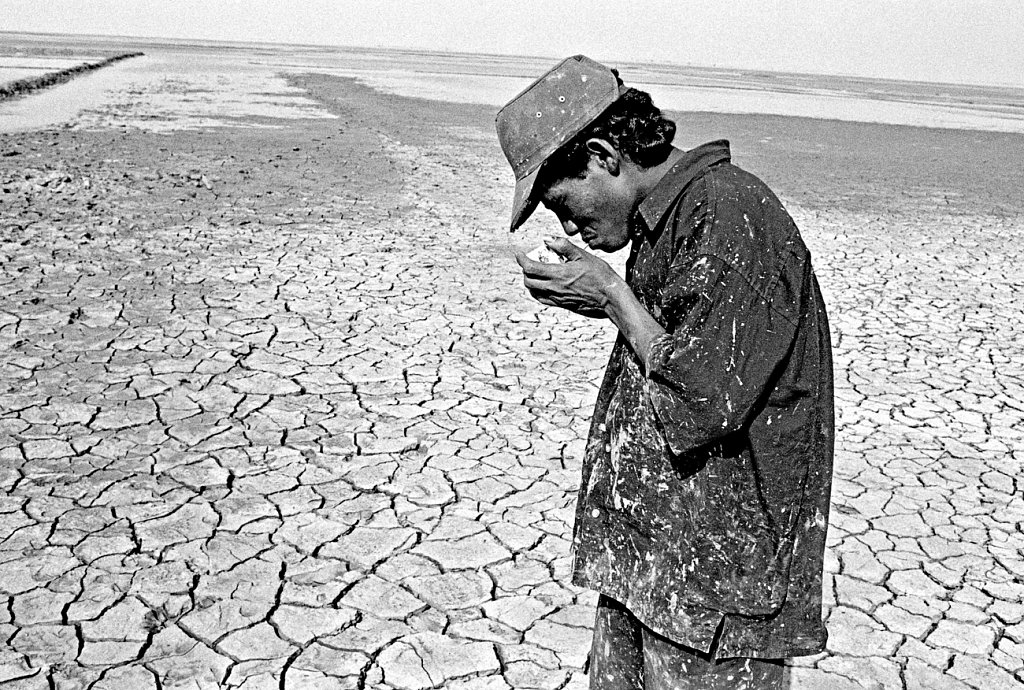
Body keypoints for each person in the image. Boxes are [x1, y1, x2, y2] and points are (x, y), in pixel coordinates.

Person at [496, 55, 834, 689]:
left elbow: (702, 394)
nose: (568, 224)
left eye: (562, 201)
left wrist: (612, 296)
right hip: (656, 569)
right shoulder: (671, 218)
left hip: (717, 598)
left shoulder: (730, 214)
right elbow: (688, 344)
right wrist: (611, 298)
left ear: (603, 154)